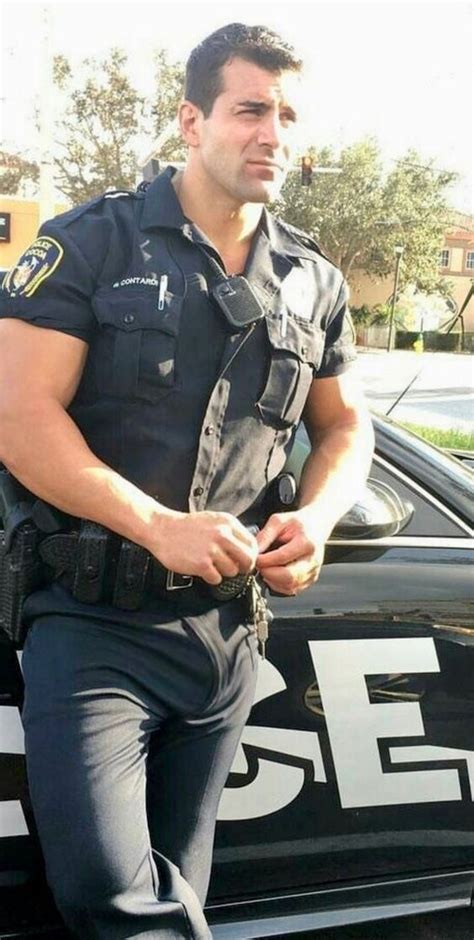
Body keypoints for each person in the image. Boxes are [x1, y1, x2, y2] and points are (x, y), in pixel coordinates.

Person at [0, 22, 374, 940]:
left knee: (177, 889)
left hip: (226, 634)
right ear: (191, 119)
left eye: (288, 116)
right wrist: (157, 523)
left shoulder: (314, 280)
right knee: (109, 898)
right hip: (93, 627)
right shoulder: (92, 243)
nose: (272, 134)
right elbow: (19, 417)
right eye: (250, 109)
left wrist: (319, 520)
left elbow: (344, 425)